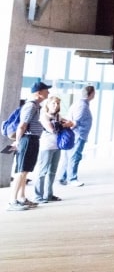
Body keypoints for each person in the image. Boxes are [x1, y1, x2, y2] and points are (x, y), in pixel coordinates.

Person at [9, 80, 50, 210]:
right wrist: (18, 141)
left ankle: (21, 198)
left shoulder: (36, 106)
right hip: (27, 140)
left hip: (33, 140)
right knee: (21, 172)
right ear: (39, 93)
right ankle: (12, 201)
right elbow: (22, 125)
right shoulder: (30, 106)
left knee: (25, 172)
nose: (48, 92)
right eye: (46, 90)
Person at [58, 84, 94, 187]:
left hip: (76, 134)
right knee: (75, 156)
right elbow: (74, 122)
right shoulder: (82, 105)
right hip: (78, 135)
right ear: (91, 94)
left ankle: (62, 176)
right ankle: (72, 179)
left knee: (69, 156)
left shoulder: (79, 103)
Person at [34, 96, 67, 203]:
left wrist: (64, 124)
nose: (56, 105)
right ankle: (38, 196)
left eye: (57, 103)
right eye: (53, 103)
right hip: (46, 146)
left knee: (52, 172)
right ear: (48, 104)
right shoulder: (44, 116)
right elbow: (52, 129)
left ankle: (48, 195)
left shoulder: (58, 116)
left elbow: (72, 123)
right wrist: (64, 125)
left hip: (57, 146)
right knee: (42, 172)